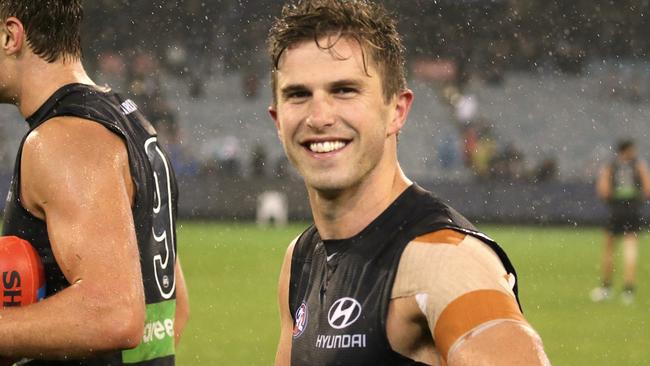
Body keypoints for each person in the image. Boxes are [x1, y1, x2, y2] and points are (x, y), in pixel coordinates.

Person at [267, 1, 549, 365]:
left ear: (396, 111)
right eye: (298, 94)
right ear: (277, 120)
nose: (319, 117)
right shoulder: (301, 259)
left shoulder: (445, 259)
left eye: (345, 90)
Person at [0, 1, 189, 364]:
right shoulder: (128, 121)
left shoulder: (63, 140)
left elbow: (114, 314)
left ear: (11, 36)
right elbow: (170, 312)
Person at [592, 139, 650, 304]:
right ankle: (628, 290)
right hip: (632, 210)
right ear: (629, 149)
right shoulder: (638, 165)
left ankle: (606, 287)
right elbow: (647, 188)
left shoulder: (612, 166)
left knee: (609, 249)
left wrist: (615, 199)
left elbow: (603, 190)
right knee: (630, 249)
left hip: (616, 210)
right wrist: (635, 199)